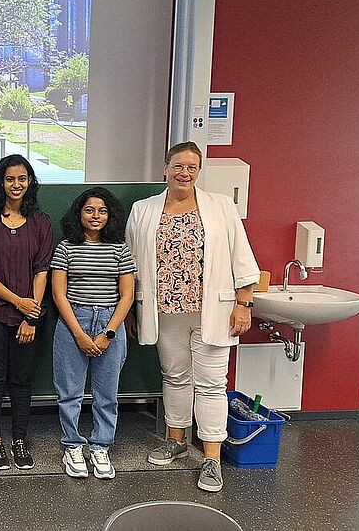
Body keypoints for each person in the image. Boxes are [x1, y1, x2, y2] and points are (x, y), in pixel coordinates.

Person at [126, 141, 259, 492]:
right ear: (165, 168)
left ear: (198, 172)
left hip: (212, 310)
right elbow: (130, 263)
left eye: (192, 167)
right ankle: (177, 439)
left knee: (212, 383)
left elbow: (241, 255)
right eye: (178, 166)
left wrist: (244, 303)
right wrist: (128, 309)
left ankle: (212, 457)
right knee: (174, 376)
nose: (185, 173)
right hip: (163, 311)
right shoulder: (143, 209)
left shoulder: (220, 207)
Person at [0, 154, 53, 471]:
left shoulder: (42, 222)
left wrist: (29, 314)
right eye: (9, 179)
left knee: (21, 380)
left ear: (30, 182)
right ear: (0, 183)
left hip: (29, 317)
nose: (16, 184)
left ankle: (19, 438)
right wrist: (17, 302)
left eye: (22, 178)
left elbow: (42, 270)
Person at [51, 187, 135, 480]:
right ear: (79, 214)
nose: (95, 216)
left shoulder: (120, 249)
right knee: (70, 393)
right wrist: (79, 334)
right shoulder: (65, 248)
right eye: (89, 210)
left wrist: (108, 333)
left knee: (106, 395)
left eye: (101, 210)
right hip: (74, 319)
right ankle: (72, 446)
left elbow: (126, 296)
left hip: (111, 321)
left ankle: (100, 446)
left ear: (109, 215)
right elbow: (59, 295)